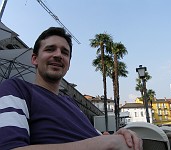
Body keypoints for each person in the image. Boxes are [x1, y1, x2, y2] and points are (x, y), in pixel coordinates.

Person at [0, 27, 142, 150]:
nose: (58, 55)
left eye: (64, 52)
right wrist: (108, 143)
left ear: (68, 64)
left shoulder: (71, 104)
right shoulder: (17, 89)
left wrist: (120, 136)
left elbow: (98, 137)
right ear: (35, 59)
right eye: (50, 49)